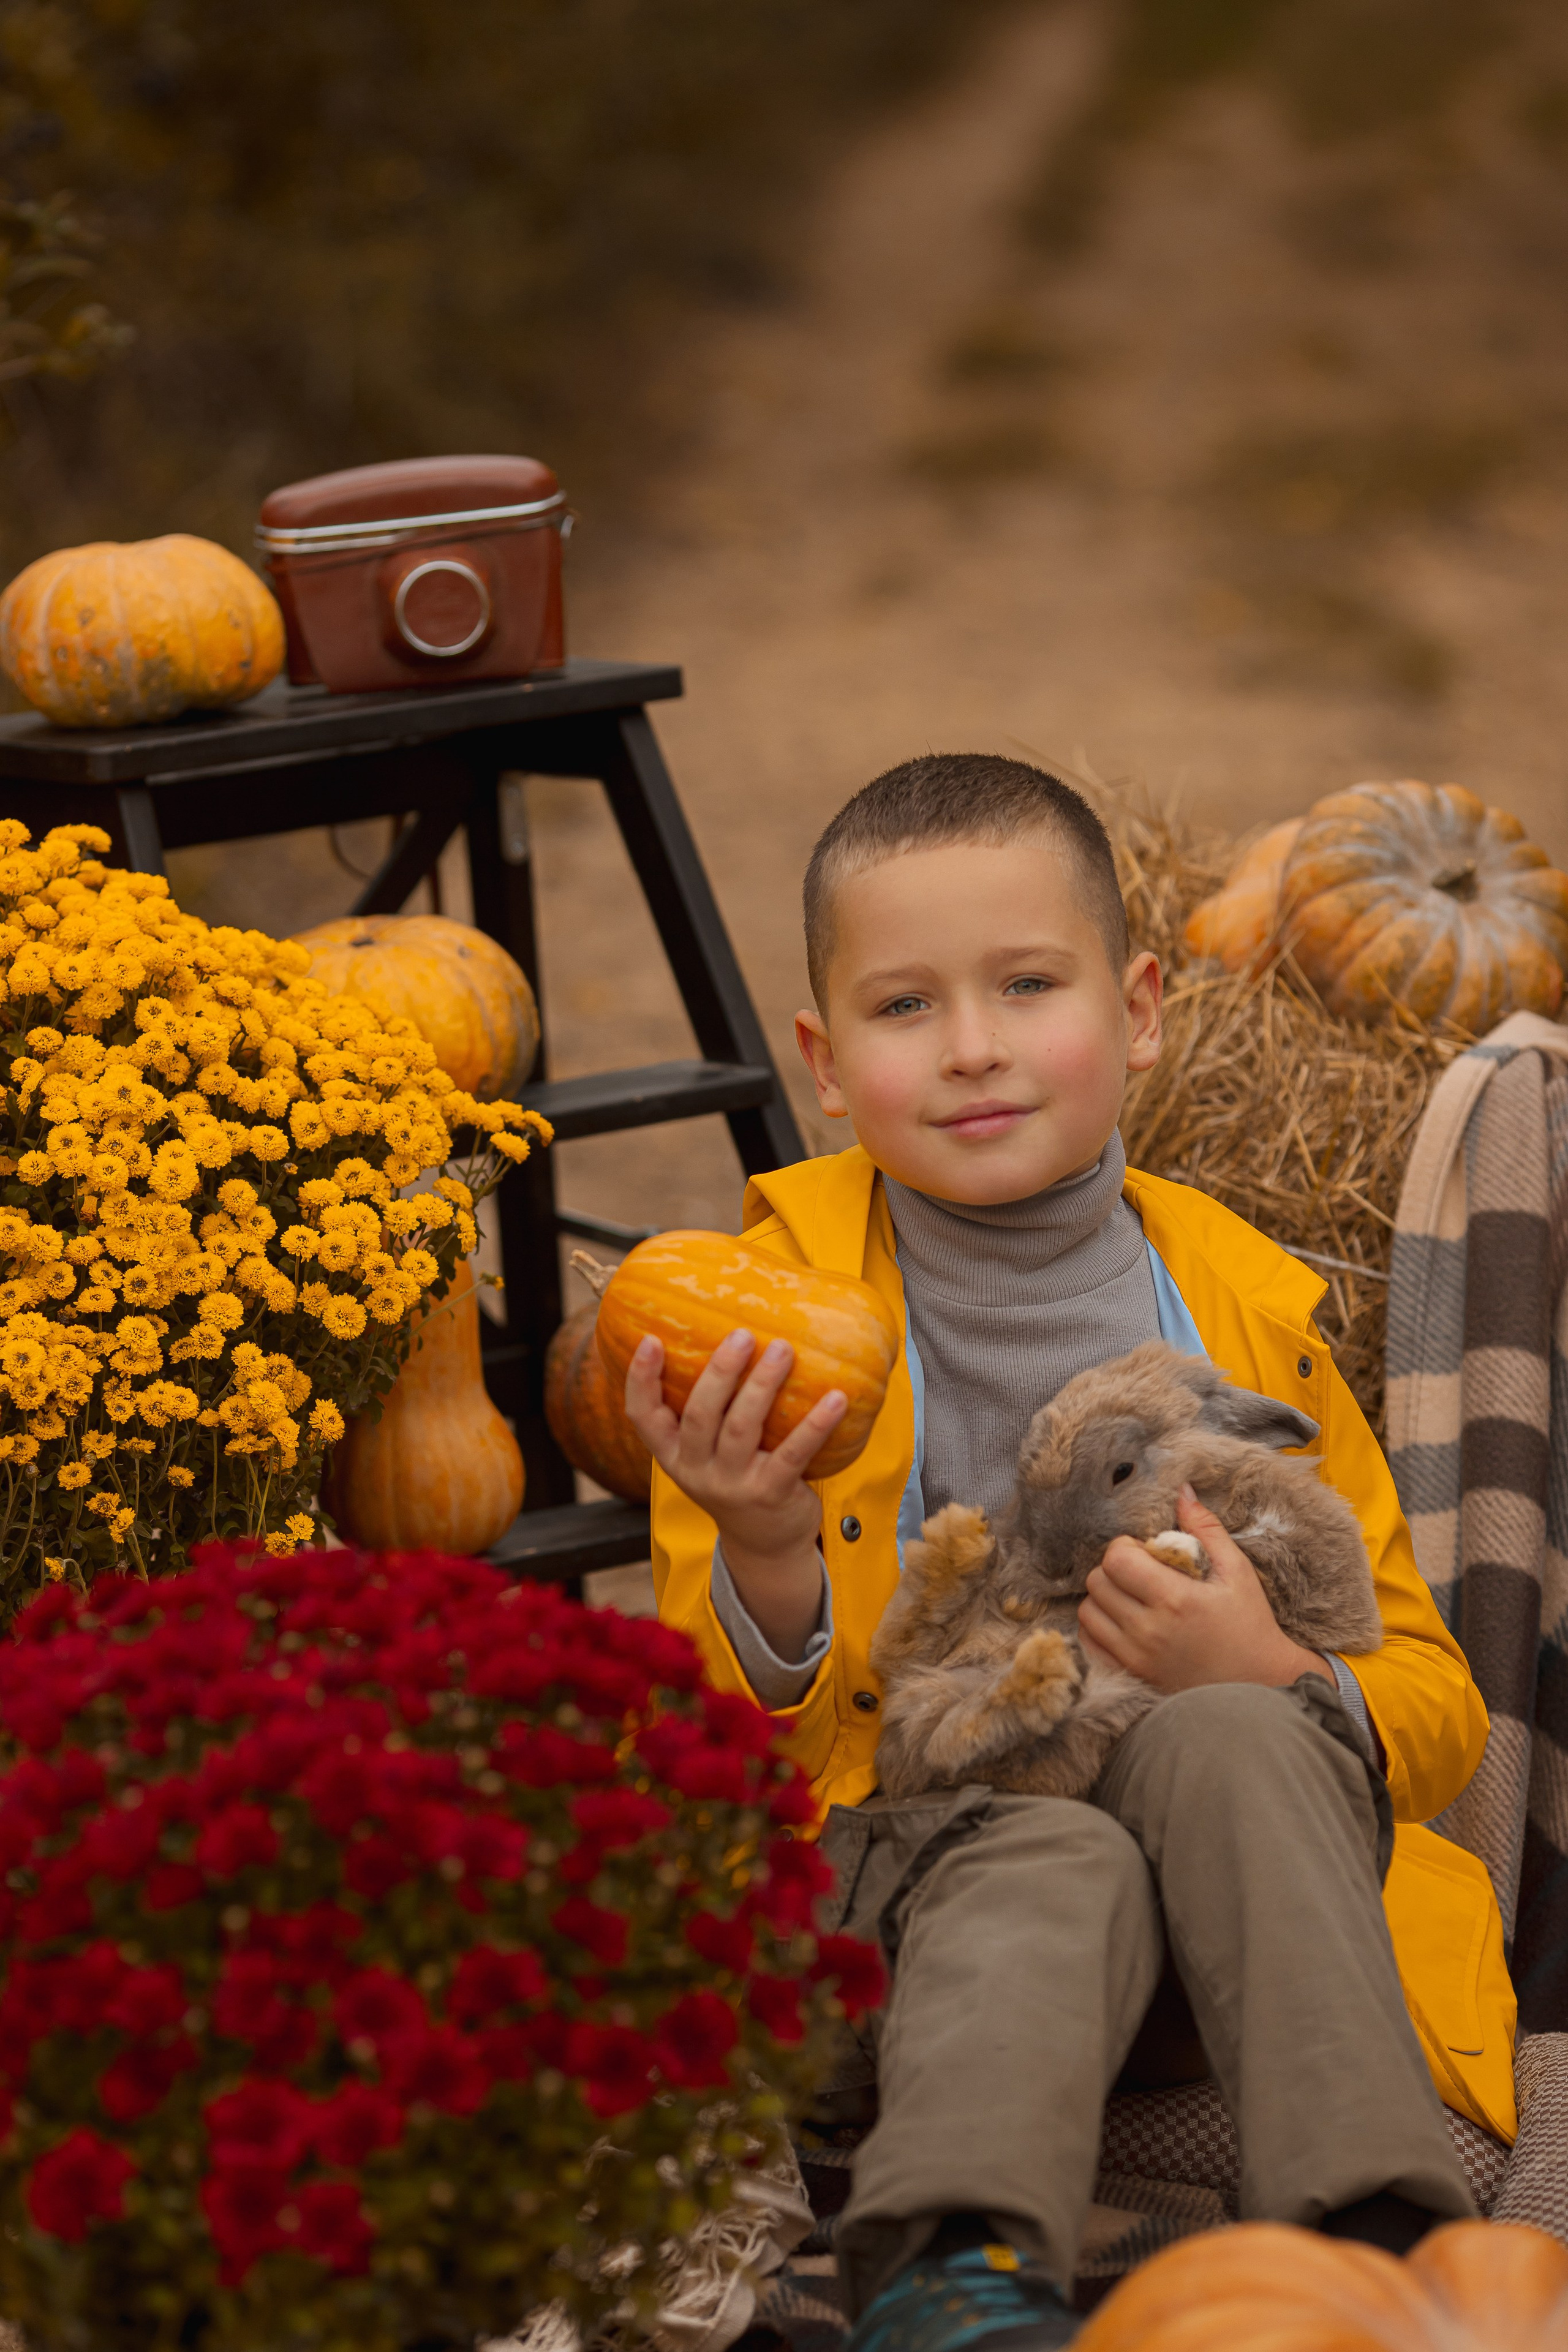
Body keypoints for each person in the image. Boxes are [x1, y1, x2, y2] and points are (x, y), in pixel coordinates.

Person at [627, 756, 1515, 2352]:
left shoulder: (1250, 1316)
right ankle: (952, 2271)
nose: (973, 1048)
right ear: (825, 1065)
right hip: (899, 1943)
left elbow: (1435, 1710)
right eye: (905, 1009)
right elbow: (715, 1762)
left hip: (1225, 1935)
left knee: (1241, 1728)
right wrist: (766, 1549)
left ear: (1144, 1009)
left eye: (1029, 987)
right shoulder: (769, 1323)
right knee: (1049, 1848)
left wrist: (1284, 1674)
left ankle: (1373, 2243)